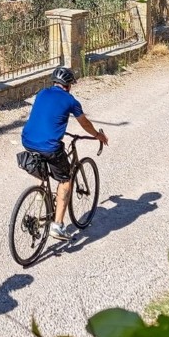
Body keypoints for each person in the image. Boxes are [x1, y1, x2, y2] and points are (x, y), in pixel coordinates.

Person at [21, 65, 109, 241]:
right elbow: (85, 124)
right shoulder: (71, 101)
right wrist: (98, 135)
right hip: (50, 147)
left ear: (54, 82)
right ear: (68, 85)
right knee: (65, 180)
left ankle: (41, 196)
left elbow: (44, 117)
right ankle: (58, 226)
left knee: (42, 165)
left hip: (28, 140)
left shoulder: (42, 93)